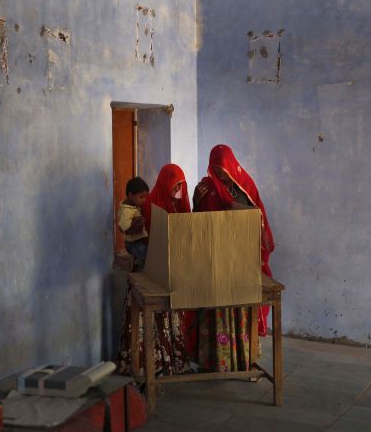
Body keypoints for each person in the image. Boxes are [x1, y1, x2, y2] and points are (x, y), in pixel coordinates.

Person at [191, 144, 275, 372]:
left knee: (238, 308)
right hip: (215, 259)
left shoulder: (245, 185)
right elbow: (197, 220)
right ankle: (214, 362)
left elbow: (257, 220)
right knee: (215, 307)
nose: (219, 173)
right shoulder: (206, 187)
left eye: (222, 168)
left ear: (231, 164)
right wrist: (197, 201)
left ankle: (241, 359)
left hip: (240, 260)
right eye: (215, 168)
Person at [117, 164, 192, 377]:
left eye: (180, 185)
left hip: (169, 269)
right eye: (174, 184)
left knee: (169, 317)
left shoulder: (178, 204)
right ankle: (146, 364)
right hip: (148, 272)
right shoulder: (149, 205)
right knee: (145, 318)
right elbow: (141, 235)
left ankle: (172, 362)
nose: (176, 189)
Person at [117, 177, 150, 271]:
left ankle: (137, 262)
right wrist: (136, 224)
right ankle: (137, 265)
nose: (144, 200)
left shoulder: (134, 206)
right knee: (147, 257)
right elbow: (124, 228)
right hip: (133, 243)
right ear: (131, 195)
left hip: (137, 241)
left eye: (145, 197)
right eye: (141, 197)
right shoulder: (126, 211)